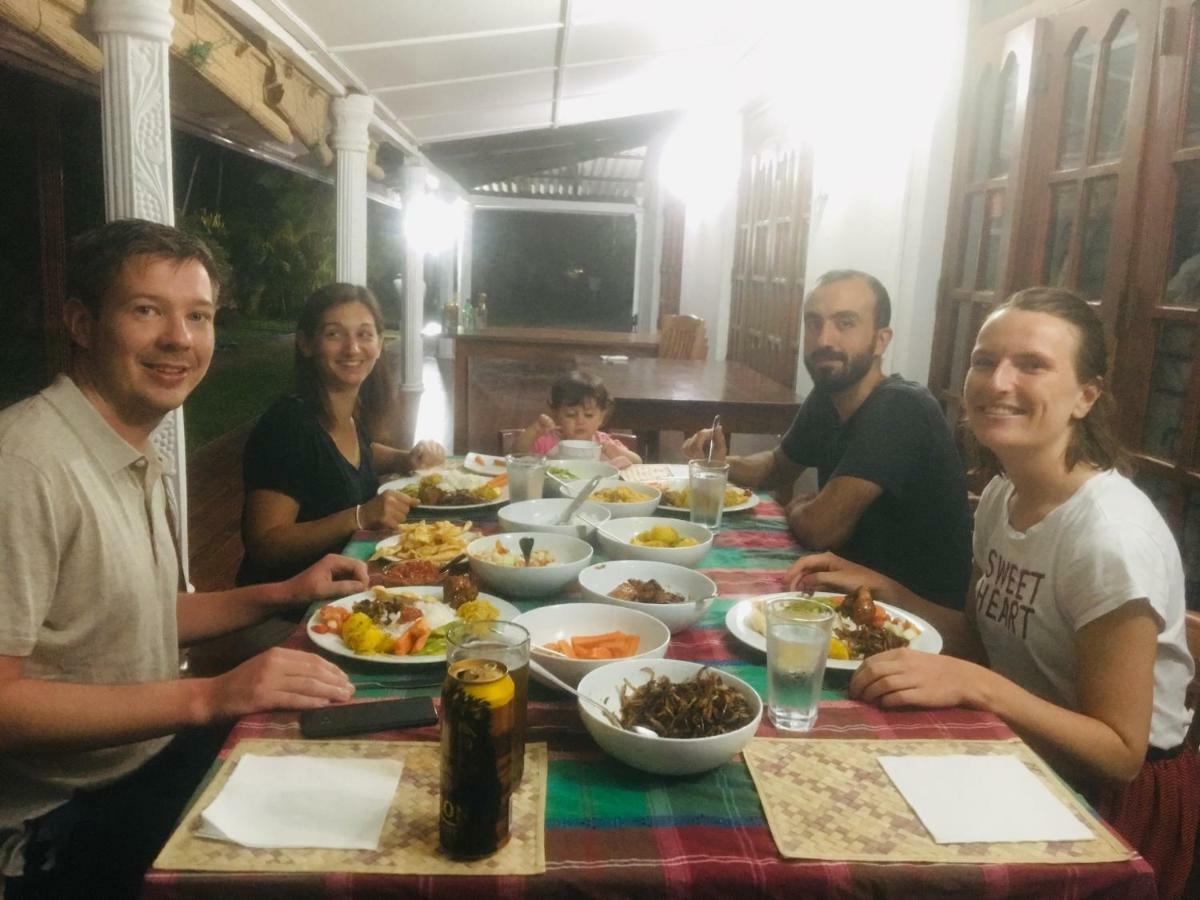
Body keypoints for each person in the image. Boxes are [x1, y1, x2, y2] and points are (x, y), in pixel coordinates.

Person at [786, 287, 1198, 897]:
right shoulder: (1006, 494)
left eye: (1031, 364)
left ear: (1086, 395)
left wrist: (976, 686)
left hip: (1113, 807)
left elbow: (1119, 751)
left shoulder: (1109, 538)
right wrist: (887, 588)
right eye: (985, 360)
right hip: (1015, 749)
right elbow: (980, 638)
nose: (997, 381)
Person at [0, 220, 368, 899]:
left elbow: (136, 616)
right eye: (147, 311)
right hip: (61, 824)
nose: (180, 338)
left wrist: (286, 591)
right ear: (82, 323)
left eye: (197, 316)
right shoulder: (24, 464)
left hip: (149, 762)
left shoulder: (130, 450)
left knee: (359, 767)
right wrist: (212, 695)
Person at [682, 270, 971, 608]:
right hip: (847, 591)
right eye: (814, 323)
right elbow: (777, 466)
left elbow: (821, 529)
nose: (823, 340)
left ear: (881, 340)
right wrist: (718, 464)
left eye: (845, 323)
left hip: (909, 621)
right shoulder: (829, 396)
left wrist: (799, 510)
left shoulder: (900, 406)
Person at [237, 283, 446, 585]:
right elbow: (265, 545)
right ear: (306, 344)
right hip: (285, 615)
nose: (353, 348)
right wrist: (360, 516)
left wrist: (405, 459)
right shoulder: (288, 425)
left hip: (348, 584)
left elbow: (347, 457)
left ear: (378, 344)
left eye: (364, 334)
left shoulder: (346, 411)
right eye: (334, 334)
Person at [511, 369, 642, 468]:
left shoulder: (603, 442)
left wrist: (618, 452)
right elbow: (518, 453)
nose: (580, 421)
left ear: (601, 417)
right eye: (570, 415)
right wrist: (534, 431)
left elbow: (638, 463)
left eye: (589, 415)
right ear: (557, 415)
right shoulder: (547, 440)